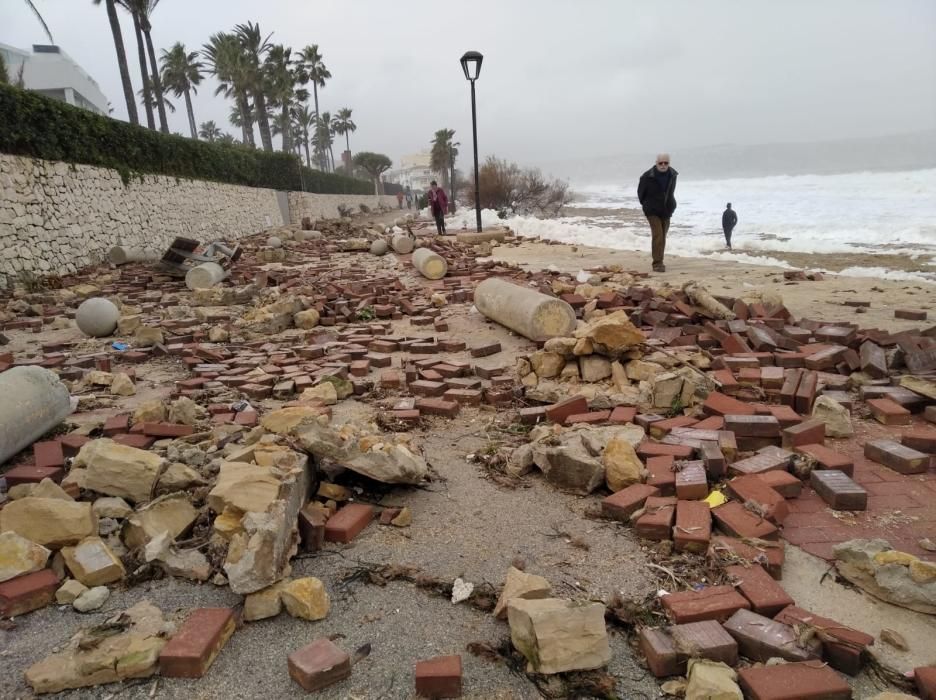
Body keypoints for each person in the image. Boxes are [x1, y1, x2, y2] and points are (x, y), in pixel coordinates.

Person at [637, 153, 679, 272]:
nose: (663, 165)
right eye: (661, 163)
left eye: (666, 163)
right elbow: (641, 194)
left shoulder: (673, 174)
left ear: (669, 163)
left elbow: (670, 192)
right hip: (652, 211)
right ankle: (657, 263)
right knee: (658, 235)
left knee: (663, 236)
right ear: (656, 163)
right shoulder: (647, 177)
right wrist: (648, 206)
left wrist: (671, 205)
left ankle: (660, 260)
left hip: (666, 210)